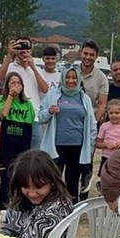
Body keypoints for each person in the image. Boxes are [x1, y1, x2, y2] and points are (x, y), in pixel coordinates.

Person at [38, 67, 96, 201]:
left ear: (79, 80)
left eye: (74, 78)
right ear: (63, 79)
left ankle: (72, 206)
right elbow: (41, 117)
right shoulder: (52, 95)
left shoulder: (84, 98)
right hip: (56, 145)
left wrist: (91, 146)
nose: (71, 81)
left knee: (73, 180)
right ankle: (53, 205)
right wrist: (49, 111)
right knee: (53, 179)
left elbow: (91, 123)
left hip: (77, 145)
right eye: (68, 77)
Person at [0, 72, 35, 209]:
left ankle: (21, 202)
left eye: (18, 83)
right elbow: (3, 113)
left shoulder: (27, 104)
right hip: (7, 143)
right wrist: (10, 97)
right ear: (7, 85)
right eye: (13, 83)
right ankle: (3, 204)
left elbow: (31, 122)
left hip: (22, 143)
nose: (16, 86)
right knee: (6, 174)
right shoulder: (2, 100)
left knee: (21, 173)